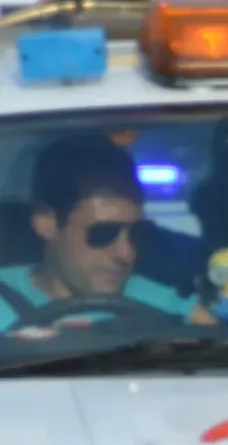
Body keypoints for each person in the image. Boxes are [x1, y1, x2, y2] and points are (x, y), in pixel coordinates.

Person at [0, 139, 197, 329]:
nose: (126, 254)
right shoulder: (5, 304)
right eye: (103, 233)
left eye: (137, 233)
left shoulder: (169, 308)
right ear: (47, 223)